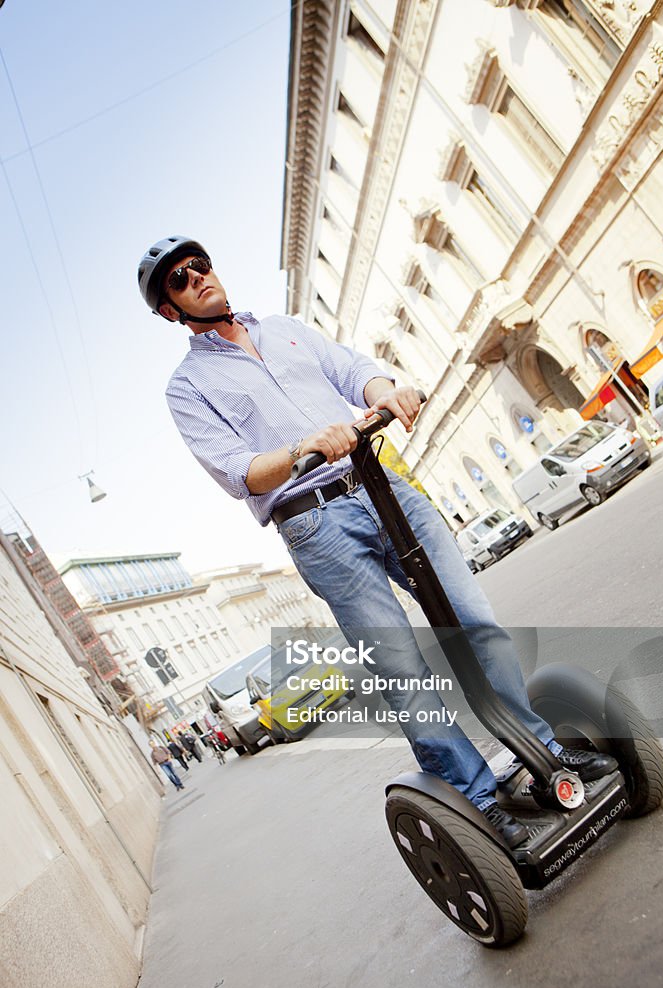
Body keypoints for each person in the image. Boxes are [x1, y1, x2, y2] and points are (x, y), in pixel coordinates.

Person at [138, 236, 617, 848]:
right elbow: (237, 471)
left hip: (381, 484)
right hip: (314, 521)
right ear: (169, 311)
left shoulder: (284, 327)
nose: (196, 277)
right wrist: (303, 448)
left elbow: (350, 369)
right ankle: (476, 801)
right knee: (400, 666)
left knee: (473, 619)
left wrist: (383, 391)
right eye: (178, 280)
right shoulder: (188, 387)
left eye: (199, 264)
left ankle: (547, 753)